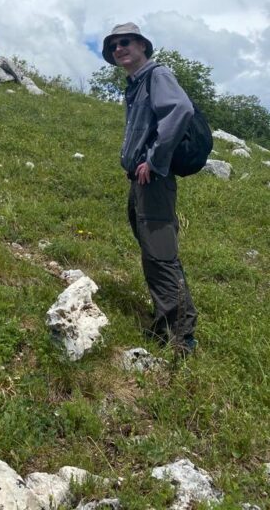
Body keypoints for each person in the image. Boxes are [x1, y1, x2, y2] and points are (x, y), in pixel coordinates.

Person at [102, 22, 198, 353]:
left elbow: (180, 110)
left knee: (161, 255)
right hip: (140, 182)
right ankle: (165, 322)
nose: (119, 49)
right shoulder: (136, 84)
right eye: (113, 46)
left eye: (125, 42)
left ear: (142, 45)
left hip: (153, 180)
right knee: (153, 252)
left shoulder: (157, 75)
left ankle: (180, 338)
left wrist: (154, 161)